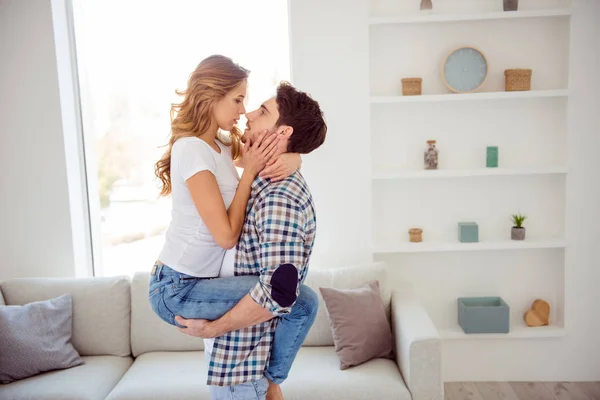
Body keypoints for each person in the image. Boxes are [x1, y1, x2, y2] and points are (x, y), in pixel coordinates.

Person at [148, 55, 325, 399]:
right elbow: (227, 236)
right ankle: (273, 382)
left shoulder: (223, 145)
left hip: (200, 281)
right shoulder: (192, 150)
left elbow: (264, 154)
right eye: (239, 100)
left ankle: (272, 381)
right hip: (177, 286)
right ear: (211, 96)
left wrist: (294, 156)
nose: (244, 112)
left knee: (296, 300)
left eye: (250, 103)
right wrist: (251, 170)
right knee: (300, 302)